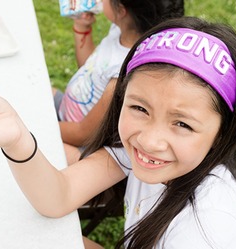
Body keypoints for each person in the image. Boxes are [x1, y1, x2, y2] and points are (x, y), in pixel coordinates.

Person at [0, 16, 236, 249]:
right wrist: (15, 135)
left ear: (223, 133)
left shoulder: (209, 231)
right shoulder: (147, 156)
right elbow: (57, 197)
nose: (149, 139)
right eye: (140, 108)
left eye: (182, 124)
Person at [54, 0, 184, 165]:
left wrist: (39, 123)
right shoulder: (121, 30)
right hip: (67, 114)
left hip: (82, 144)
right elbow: (91, 67)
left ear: (121, 10)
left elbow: (82, 134)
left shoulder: (121, 74)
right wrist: (82, 27)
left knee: (26, 142)